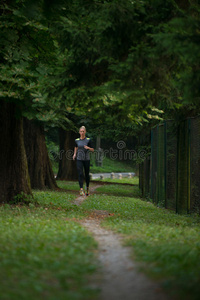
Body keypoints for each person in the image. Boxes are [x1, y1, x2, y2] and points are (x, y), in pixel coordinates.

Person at [73, 126, 94, 196]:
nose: (82, 133)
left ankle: (87, 188)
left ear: (85, 132)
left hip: (86, 159)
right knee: (80, 174)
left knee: (86, 174)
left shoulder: (88, 140)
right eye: (81, 131)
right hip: (79, 159)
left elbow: (93, 150)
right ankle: (81, 189)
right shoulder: (77, 140)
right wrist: (74, 154)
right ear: (79, 132)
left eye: (83, 131)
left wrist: (88, 148)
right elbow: (76, 147)